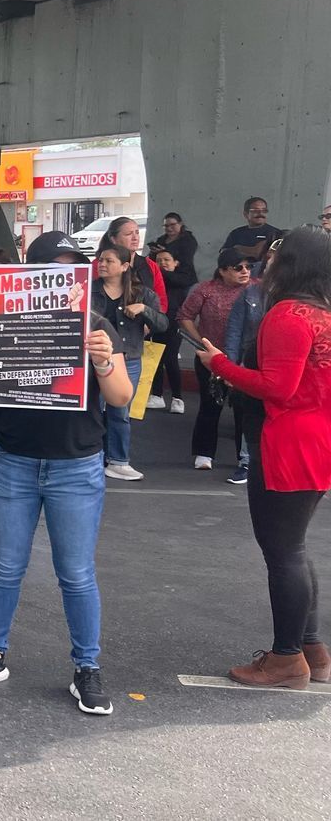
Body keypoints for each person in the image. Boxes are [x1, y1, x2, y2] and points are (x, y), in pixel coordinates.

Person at [0, 230, 132, 716]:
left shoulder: (95, 325)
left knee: (76, 573)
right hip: (12, 461)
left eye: (72, 267)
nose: (63, 277)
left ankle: (87, 667)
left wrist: (100, 362)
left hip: (76, 466)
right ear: (30, 275)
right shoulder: (0, 323)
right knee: (6, 566)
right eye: (54, 266)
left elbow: (120, 397)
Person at [198, 227, 331, 689]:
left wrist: (220, 364)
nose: (263, 263)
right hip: (318, 438)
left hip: (289, 441)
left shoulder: (287, 315)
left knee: (283, 552)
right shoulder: (323, 315)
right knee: (294, 548)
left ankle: (286, 659)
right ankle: (311, 648)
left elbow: (277, 387)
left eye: (273, 255)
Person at [92, 244, 167, 481]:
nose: (102, 264)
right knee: (93, 408)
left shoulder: (143, 294)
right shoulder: (89, 290)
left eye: (109, 261)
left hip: (129, 359)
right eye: (100, 260)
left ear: (125, 266)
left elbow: (163, 325)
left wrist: (144, 310)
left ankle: (118, 461)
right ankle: (94, 456)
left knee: (120, 410)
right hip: (95, 358)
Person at [178, 248, 252, 472]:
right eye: (238, 268)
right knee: (210, 405)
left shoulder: (255, 289)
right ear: (222, 270)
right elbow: (184, 316)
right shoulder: (206, 290)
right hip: (211, 357)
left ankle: (244, 457)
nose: (244, 271)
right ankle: (204, 452)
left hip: (244, 358)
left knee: (243, 409)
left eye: (248, 267)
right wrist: (201, 342)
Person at [222, 240, 278, 486]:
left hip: (281, 364)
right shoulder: (251, 292)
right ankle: (247, 462)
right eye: (271, 257)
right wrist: (231, 367)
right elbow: (234, 331)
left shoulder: (300, 296)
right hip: (251, 361)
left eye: (278, 258)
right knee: (251, 413)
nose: (271, 262)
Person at [147, 217, 198, 414]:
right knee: (156, 357)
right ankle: (157, 395)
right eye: (159, 261)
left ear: (176, 263)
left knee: (170, 358)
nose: (163, 264)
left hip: (174, 321)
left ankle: (177, 398)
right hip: (157, 321)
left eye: (166, 261)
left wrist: (160, 272)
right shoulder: (155, 281)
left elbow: (181, 280)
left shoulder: (182, 279)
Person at [96, 216, 167, 311]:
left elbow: (161, 301)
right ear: (114, 239)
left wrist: (152, 320)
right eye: (128, 234)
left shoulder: (150, 265)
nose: (135, 238)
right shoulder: (99, 264)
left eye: (137, 233)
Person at [223, 196, 282, 268]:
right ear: (246, 214)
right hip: (240, 272)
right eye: (255, 211)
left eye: (264, 211)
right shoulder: (236, 233)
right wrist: (254, 250)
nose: (260, 214)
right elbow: (224, 254)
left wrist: (238, 249)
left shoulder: (276, 233)